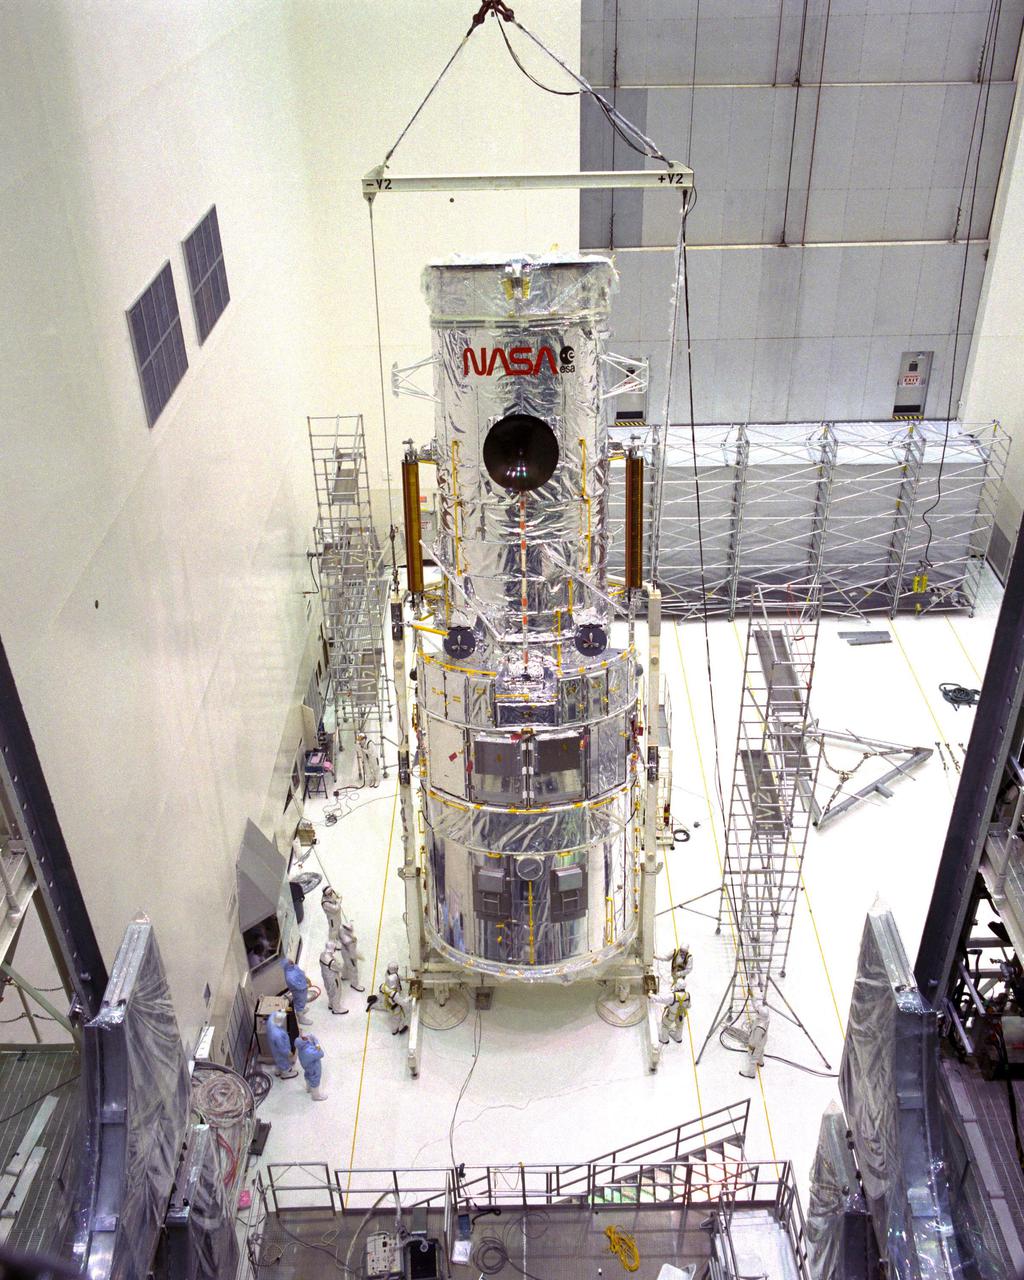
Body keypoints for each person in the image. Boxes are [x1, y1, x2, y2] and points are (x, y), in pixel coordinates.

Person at [374, 961, 411, 1035]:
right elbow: (403, 1003)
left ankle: (373, 1005)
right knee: (397, 1017)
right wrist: (411, 997)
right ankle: (395, 1030)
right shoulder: (395, 995)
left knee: (383, 1005)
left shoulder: (386, 983)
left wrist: (406, 978)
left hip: (386, 1001)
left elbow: (397, 976)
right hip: (393, 1007)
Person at [280, 956, 312, 1026]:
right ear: (287, 965)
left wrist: (306, 979)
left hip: (303, 989)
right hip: (299, 991)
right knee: (299, 1003)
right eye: (290, 962)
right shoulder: (289, 976)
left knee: (303, 1001)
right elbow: (298, 986)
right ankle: (301, 1018)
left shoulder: (294, 967)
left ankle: (301, 1010)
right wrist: (305, 986)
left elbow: (301, 973)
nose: (292, 961)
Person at [296, 1032, 327, 1101]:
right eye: (304, 1038)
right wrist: (316, 1043)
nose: (306, 1038)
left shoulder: (300, 1047)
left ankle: (309, 1089)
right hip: (314, 1067)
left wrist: (309, 1038)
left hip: (307, 1067)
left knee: (308, 1075)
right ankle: (316, 1096)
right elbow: (321, 1053)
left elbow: (309, 1036)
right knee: (315, 1079)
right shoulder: (309, 1052)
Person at [266, 1010, 297, 1079]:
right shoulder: (277, 1035)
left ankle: (278, 1070)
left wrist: (283, 1010)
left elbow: (276, 1012)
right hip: (280, 1050)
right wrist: (289, 1053)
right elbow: (282, 1048)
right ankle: (285, 1073)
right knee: (282, 1059)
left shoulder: (272, 1017)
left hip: (273, 1046)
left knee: (277, 1059)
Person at [337, 921, 365, 994]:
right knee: (353, 969)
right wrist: (354, 959)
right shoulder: (350, 941)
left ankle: (344, 975)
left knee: (346, 964)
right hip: (349, 954)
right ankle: (354, 984)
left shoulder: (341, 931)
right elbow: (352, 952)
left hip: (344, 952)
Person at [319, 941, 347, 1015]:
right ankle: (336, 1009)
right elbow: (340, 968)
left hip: (325, 976)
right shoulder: (331, 961)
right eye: (335, 948)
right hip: (333, 978)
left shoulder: (322, 954)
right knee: (336, 992)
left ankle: (331, 1004)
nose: (335, 949)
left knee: (330, 991)